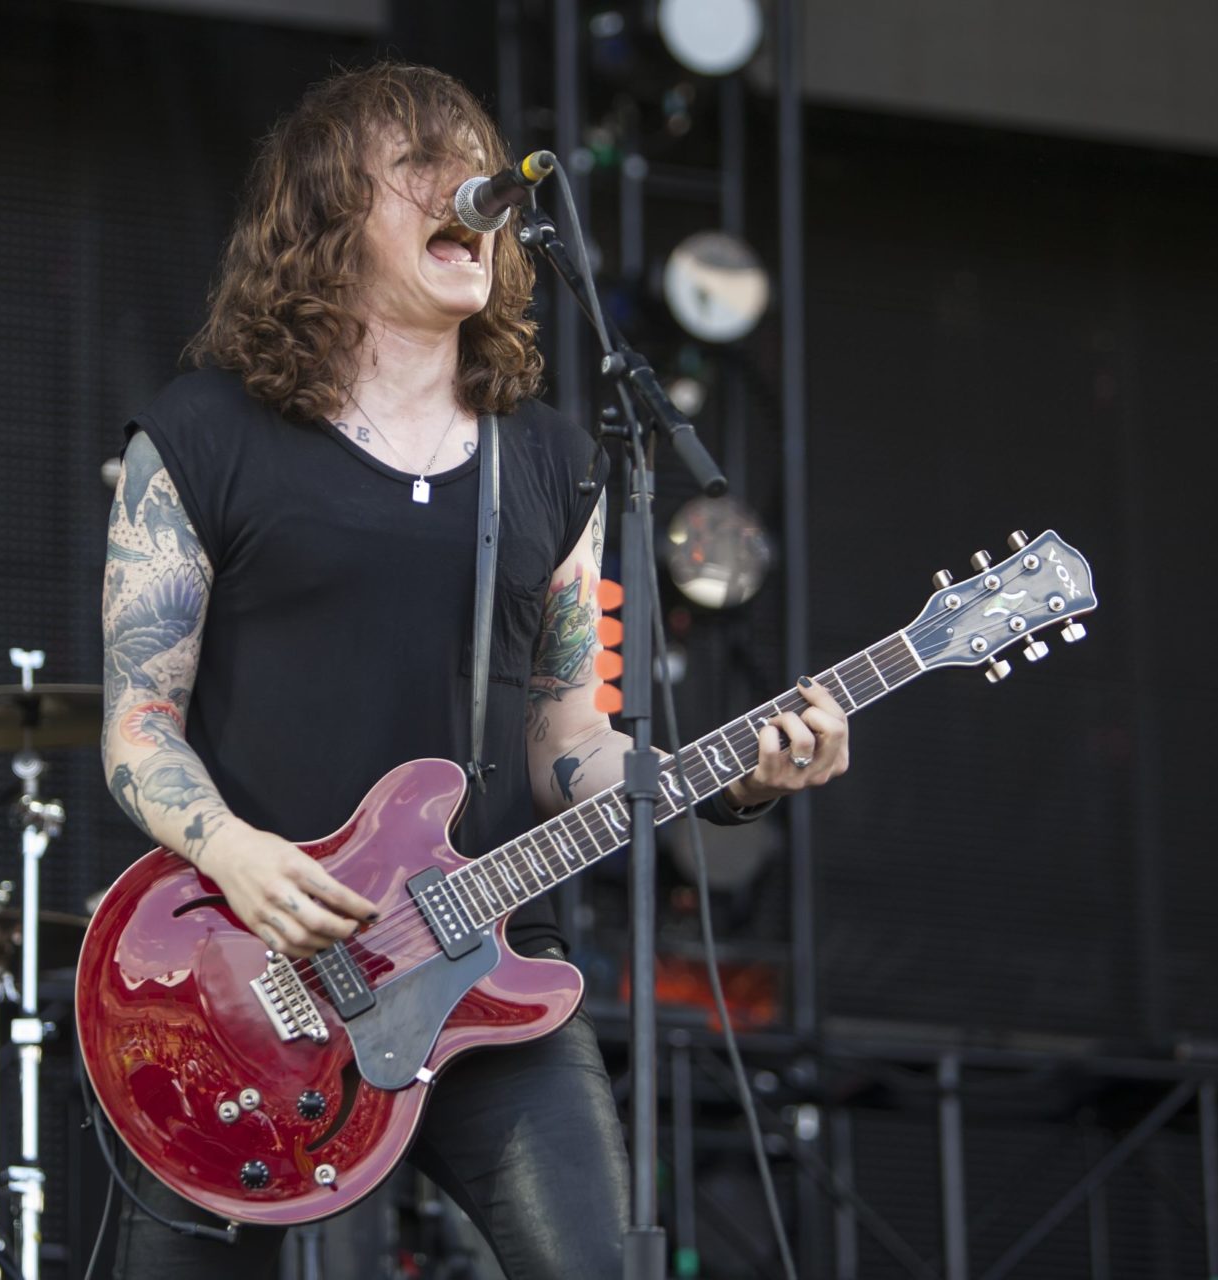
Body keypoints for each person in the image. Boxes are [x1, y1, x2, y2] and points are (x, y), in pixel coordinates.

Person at [99, 62, 850, 1279]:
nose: (469, 189)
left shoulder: (550, 463)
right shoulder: (203, 435)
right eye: (421, 165)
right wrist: (235, 850)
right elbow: (137, 722)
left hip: (485, 970)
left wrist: (735, 778)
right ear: (330, 216)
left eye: (477, 162)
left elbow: (571, 741)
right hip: (237, 981)